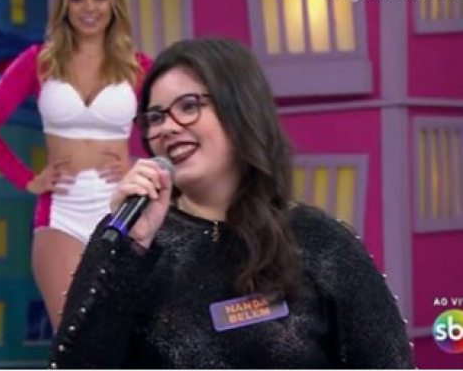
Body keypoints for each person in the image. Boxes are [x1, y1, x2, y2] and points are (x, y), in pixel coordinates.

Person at [46, 38, 415, 369]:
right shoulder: (128, 237)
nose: (167, 128)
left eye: (188, 105)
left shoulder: (321, 241)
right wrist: (129, 249)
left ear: (240, 110)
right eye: (155, 117)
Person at [0, 0, 152, 329]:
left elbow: (169, 130)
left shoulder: (139, 66)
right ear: (64, 5)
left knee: (122, 334)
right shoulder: (39, 62)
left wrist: (137, 164)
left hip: (122, 209)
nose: (89, 7)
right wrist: (27, 179)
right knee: (72, 336)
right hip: (60, 214)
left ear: (113, 3)